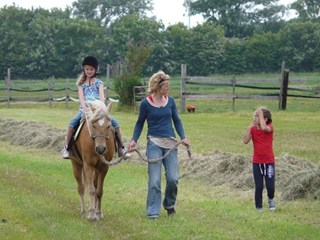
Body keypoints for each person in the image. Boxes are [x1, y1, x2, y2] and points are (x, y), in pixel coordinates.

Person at [127, 70, 190, 219]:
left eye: (168, 86)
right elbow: (139, 124)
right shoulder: (145, 104)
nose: (168, 89)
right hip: (154, 143)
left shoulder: (171, 101)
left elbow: (177, 121)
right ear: (157, 86)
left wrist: (184, 137)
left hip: (170, 144)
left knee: (173, 178)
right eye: (166, 86)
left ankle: (169, 204)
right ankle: (153, 212)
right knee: (154, 180)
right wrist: (134, 140)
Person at [61, 56, 130, 159]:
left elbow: (102, 99)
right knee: (71, 125)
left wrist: (100, 109)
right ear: (84, 69)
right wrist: (85, 109)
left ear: (96, 70)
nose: (89, 71)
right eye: (87, 69)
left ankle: (121, 148)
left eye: (91, 69)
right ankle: (67, 148)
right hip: (85, 109)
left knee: (116, 124)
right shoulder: (81, 84)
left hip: (99, 109)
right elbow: (81, 99)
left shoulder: (99, 83)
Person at [243, 106, 276, 211]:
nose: (255, 118)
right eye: (255, 116)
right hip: (257, 162)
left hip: (269, 162)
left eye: (257, 116)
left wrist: (260, 113)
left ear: (265, 119)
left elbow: (264, 128)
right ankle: (259, 207)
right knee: (259, 186)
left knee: (270, 186)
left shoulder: (269, 127)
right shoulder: (253, 129)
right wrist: (249, 127)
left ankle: (271, 199)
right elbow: (245, 141)